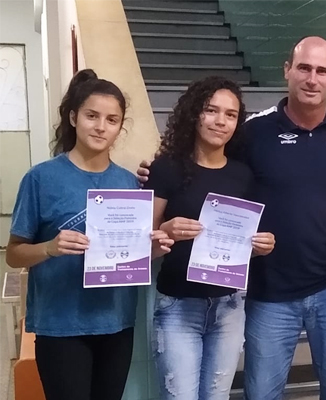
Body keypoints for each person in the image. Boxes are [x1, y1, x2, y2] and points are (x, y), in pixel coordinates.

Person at [5, 69, 173, 400]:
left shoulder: (129, 183)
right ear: (73, 117)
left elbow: (131, 254)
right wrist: (50, 248)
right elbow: (13, 254)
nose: (100, 126)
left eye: (111, 119)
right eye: (91, 116)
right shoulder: (41, 179)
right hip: (61, 325)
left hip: (116, 323)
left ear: (119, 127)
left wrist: (154, 246)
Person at [143, 76, 276, 400]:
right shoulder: (166, 169)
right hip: (178, 307)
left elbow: (243, 243)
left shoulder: (243, 175)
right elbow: (143, 250)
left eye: (230, 114)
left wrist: (260, 247)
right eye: (211, 110)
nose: (221, 121)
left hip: (229, 306)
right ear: (194, 114)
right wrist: (166, 233)